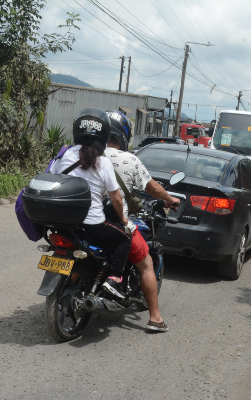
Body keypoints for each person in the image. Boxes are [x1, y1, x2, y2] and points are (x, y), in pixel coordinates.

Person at [104, 110, 180, 333]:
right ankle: (155, 318)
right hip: (115, 223)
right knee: (146, 263)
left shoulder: (87, 154)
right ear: (123, 135)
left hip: (85, 221)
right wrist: (169, 198)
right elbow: (153, 188)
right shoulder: (129, 159)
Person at [49, 108, 132, 284]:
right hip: (90, 226)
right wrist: (123, 220)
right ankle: (114, 278)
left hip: (62, 222)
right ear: (105, 136)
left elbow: (51, 177)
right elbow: (116, 199)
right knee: (124, 239)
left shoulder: (64, 154)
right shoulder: (103, 163)